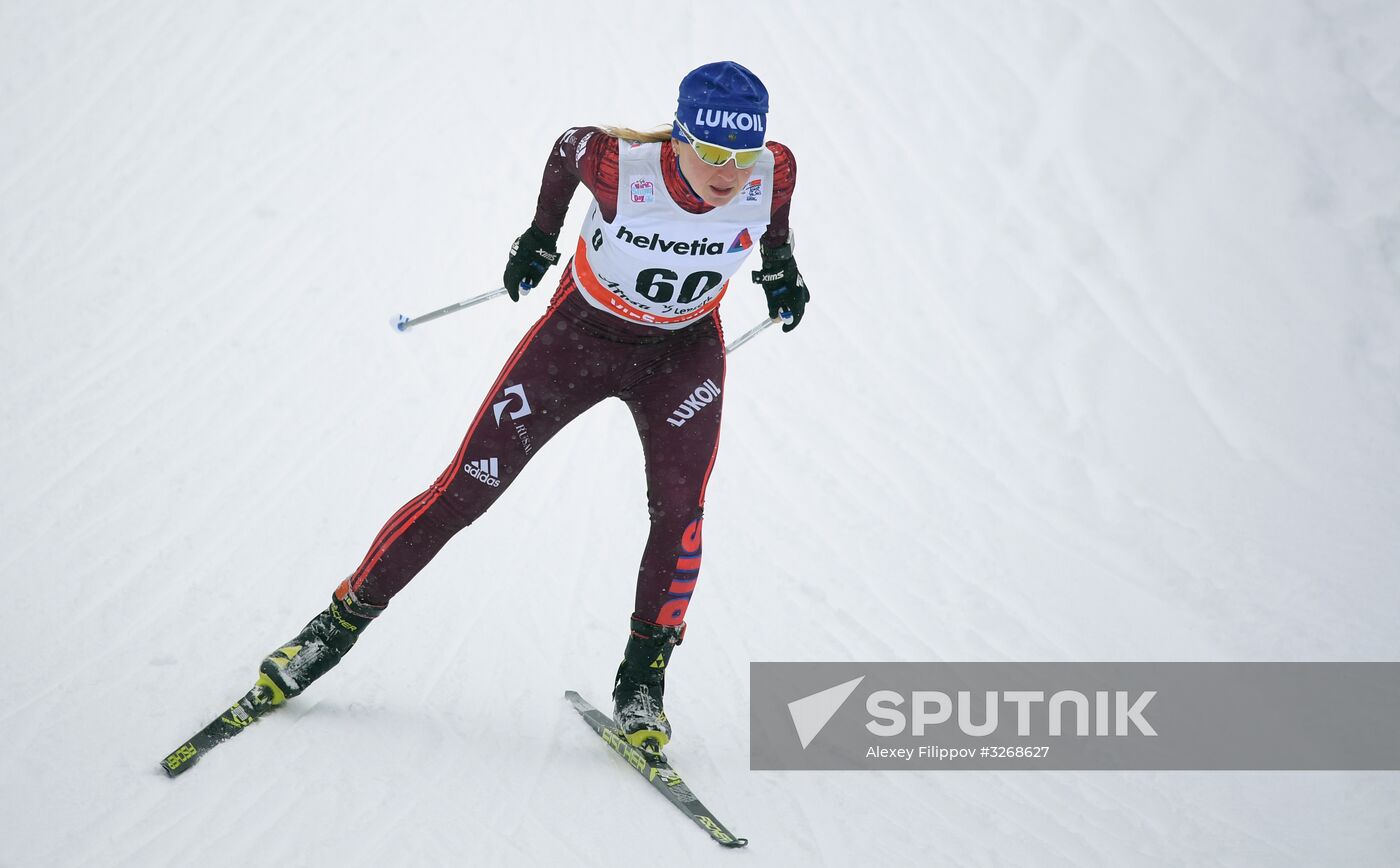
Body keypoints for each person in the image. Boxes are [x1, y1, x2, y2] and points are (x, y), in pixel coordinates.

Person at [250, 60, 808, 754]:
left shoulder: (773, 170)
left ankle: (642, 683)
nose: (729, 172)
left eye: (743, 152)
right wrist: (541, 235)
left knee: (680, 510)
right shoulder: (621, 166)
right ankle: (331, 630)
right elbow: (567, 146)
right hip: (580, 341)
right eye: (713, 152)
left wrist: (780, 268)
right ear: (680, 140)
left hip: (681, 356)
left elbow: (772, 220)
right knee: (466, 491)